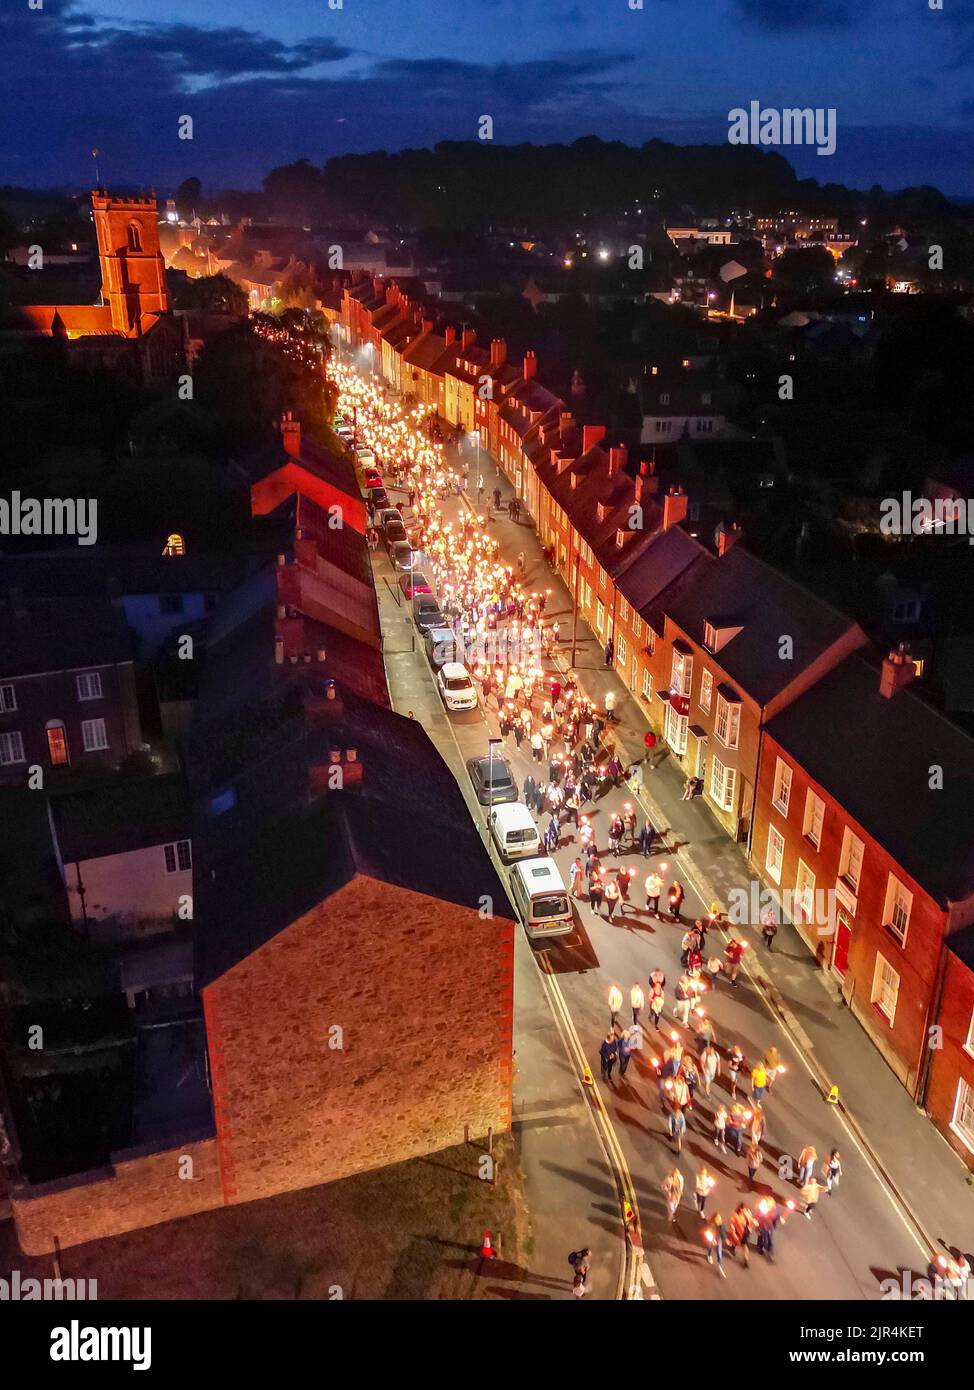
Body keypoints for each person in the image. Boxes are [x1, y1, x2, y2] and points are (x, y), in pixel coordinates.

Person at [705, 1213, 726, 1278]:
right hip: (712, 1238)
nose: (720, 1220)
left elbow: (723, 1233)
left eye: (720, 1218)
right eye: (718, 1219)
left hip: (718, 1239)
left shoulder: (722, 1225)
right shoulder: (711, 1225)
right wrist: (712, 1239)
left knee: (719, 1252)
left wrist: (725, 1239)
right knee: (710, 1247)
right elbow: (707, 1233)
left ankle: (720, 1265)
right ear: (715, 1219)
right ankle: (709, 1255)